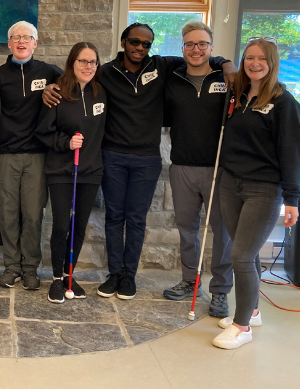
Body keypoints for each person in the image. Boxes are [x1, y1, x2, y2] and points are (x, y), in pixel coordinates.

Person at [43, 23, 235, 301]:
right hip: (113, 156)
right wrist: (51, 86)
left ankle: (128, 276)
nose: (140, 48)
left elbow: (199, 55)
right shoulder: (105, 72)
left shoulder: (162, 65)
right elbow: (76, 77)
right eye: (135, 42)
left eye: (146, 44)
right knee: (114, 218)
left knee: (135, 219)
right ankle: (113, 274)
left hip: (147, 159)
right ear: (123, 42)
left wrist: (226, 64)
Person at [211, 38, 300, 350]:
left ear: (272, 62)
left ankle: (241, 328)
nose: (254, 63)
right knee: (244, 251)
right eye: (249, 57)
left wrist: (292, 197)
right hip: (230, 183)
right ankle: (251, 312)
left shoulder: (284, 103)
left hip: (263, 189)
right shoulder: (238, 96)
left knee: (241, 255)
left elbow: (292, 152)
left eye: (261, 59)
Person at [161, 21, 235, 318]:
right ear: (183, 48)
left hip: (218, 168)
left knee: (221, 232)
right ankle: (191, 281)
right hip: (182, 166)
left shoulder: (227, 78)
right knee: (187, 229)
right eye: (190, 44)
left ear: (211, 47)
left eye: (202, 44)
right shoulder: (174, 79)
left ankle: (220, 291)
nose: (196, 49)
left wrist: (226, 63)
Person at [0, 21, 61, 291]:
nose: (21, 41)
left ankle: (30, 268)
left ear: (35, 43)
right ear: (9, 44)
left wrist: (54, 92)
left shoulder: (50, 72)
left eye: (27, 37)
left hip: (37, 155)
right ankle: (11, 266)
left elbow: (72, 94)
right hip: (5, 154)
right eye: (16, 37)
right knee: (7, 213)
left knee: (33, 213)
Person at [35, 42, 107, 304]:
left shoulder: (101, 92)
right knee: (62, 225)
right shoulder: (57, 93)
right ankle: (56, 278)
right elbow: (43, 131)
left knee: (79, 227)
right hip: (62, 170)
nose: (88, 66)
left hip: (90, 171)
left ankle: (69, 274)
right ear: (72, 63)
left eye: (93, 62)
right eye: (82, 61)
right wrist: (66, 143)